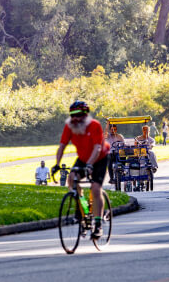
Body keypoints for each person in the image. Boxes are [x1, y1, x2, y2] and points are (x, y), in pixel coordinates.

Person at [54, 100, 110, 239]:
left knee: (96, 189)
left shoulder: (94, 125)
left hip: (99, 158)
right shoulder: (70, 126)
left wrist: (90, 165)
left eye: (78, 114)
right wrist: (57, 164)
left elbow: (97, 148)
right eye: (72, 115)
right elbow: (62, 146)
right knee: (72, 179)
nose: (75, 118)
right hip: (83, 158)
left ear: (85, 114)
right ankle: (82, 209)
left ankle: (98, 225)